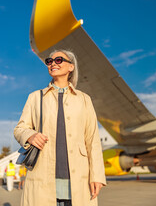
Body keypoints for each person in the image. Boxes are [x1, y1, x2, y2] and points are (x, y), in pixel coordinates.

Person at [14, 50, 106, 206]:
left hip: (78, 182)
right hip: (42, 180)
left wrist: (97, 176)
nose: (53, 64)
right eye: (49, 61)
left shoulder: (84, 99)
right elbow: (20, 128)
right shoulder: (35, 97)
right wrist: (30, 135)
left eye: (58, 60)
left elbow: (92, 140)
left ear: (71, 67)